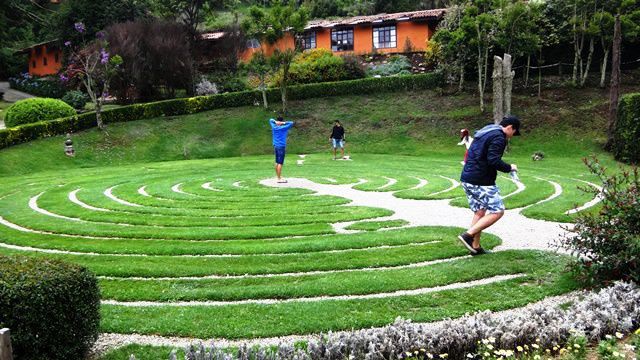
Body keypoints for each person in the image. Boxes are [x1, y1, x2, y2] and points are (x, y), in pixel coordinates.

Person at [457, 115, 521, 255]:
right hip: (481, 180)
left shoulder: (487, 129)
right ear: (510, 128)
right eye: (514, 133)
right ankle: (468, 235)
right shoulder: (499, 137)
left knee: (480, 211)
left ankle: (475, 246)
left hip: (467, 177)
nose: (512, 136)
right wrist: (510, 167)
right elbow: (493, 160)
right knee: (497, 211)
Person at [269, 116, 294, 183]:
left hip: (276, 146)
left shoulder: (274, 126)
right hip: (281, 147)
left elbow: (270, 120)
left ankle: (278, 177)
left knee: (277, 162)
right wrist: (283, 123)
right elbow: (291, 123)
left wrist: (275, 122)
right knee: (280, 162)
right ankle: (279, 179)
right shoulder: (284, 127)